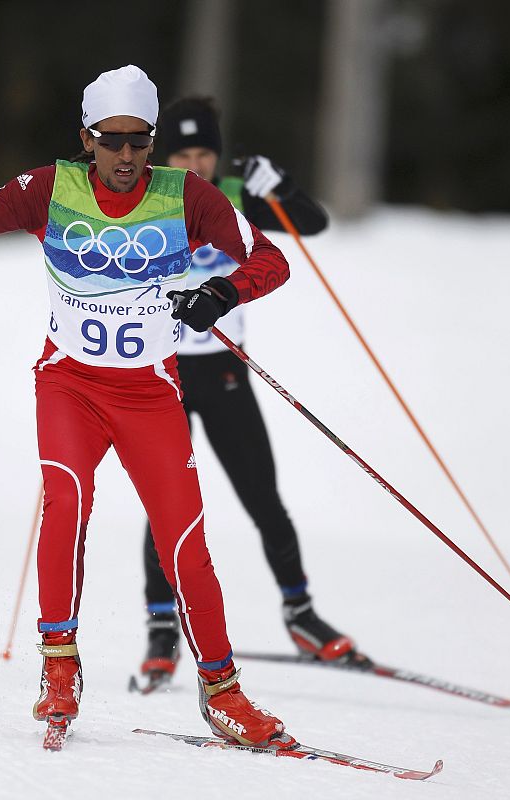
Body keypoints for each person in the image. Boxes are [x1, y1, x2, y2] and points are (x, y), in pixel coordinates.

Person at [0, 66, 295, 748]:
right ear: (87, 139)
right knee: (66, 501)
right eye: (111, 141)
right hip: (70, 385)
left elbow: (271, 259)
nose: (126, 157)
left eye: (139, 142)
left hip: (150, 393)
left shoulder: (188, 195)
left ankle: (224, 692)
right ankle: (59, 667)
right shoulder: (48, 188)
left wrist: (220, 293)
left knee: (186, 540)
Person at [137, 97, 369, 690]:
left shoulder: (235, 196)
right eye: (183, 155)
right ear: (166, 157)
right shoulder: (144, 195)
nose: (195, 165)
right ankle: (162, 631)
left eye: (204, 153)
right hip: (160, 374)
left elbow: (311, 225)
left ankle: (301, 615)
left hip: (224, 372)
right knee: (167, 508)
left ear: (217, 154)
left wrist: (284, 189)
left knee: (263, 497)